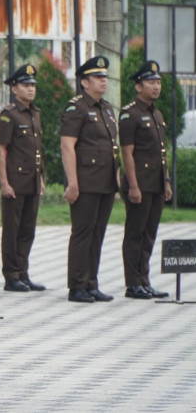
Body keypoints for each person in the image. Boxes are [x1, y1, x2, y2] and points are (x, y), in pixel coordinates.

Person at [61, 55, 119, 303]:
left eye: (104, 77)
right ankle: (77, 286)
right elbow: (67, 146)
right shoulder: (77, 108)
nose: (103, 81)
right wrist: (73, 182)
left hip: (105, 182)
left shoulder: (106, 108)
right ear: (85, 82)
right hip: (85, 182)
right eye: (97, 77)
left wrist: (115, 182)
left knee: (98, 233)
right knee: (83, 233)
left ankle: (91, 282)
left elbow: (112, 148)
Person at [119, 61, 171, 300]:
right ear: (138, 86)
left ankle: (144, 279)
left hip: (156, 183)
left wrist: (166, 181)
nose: (156, 86)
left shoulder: (157, 113)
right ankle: (132, 283)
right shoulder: (130, 113)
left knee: (149, 233)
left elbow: (162, 152)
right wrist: (133, 185)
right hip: (139, 182)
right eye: (151, 82)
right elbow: (127, 152)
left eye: (158, 82)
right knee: (135, 233)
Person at [0, 64, 47, 292]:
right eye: (26, 85)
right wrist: (4, 182)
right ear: (14, 89)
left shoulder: (35, 113)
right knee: (12, 230)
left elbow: (36, 149)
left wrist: (41, 177)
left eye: (33, 85)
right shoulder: (9, 115)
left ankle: (23, 271)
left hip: (32, 180)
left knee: (28, 229)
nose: (31, 89)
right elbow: (0, 150)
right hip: (15, 181)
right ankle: (11, 275)